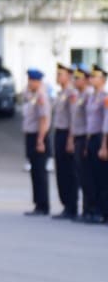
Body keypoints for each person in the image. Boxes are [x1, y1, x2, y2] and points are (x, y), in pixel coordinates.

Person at [21, 68, 51, 217]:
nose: (28, 83)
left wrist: (40, 140)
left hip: (39, 137)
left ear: (37, 81)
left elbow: (44, 120)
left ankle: (43, 205)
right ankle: (38, 203)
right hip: (31, 136)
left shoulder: (41, 96)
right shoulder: (31, 95)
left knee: (40, 173)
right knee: (34, 171)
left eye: (31, 81)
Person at [52, 62, 78, 220]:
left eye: (60, 74)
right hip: (59, 133)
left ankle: (71, 205)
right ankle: (66, 205)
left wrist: (70, 139)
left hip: (67, 134)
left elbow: (74, 118)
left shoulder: (71, 94)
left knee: (69, 171)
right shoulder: (61, 93)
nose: (57, 77)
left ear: (68, 76)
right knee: (61, 170)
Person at [68, 66, 92, 221]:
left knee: (87, 177)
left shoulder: (89, 95)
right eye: (74, 78)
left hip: (85, 138)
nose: (75, 80)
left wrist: (88, 143)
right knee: (81, 176)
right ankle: (85, 209)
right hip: (78, 137)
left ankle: (89, 209)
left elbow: (91, 121)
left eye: (78, 78)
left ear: (86, 79)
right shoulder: (80, 95)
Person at [88, 65, 108, 225]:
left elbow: (106, 124)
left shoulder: (105, 98)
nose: (91, 79)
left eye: (95, 76)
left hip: (101, 139)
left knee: (103, 178)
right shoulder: (91, 97)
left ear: (102, 80)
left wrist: (104, 145)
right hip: (92, 138)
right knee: (93, 176)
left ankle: (103, 212)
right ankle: (96, 209)